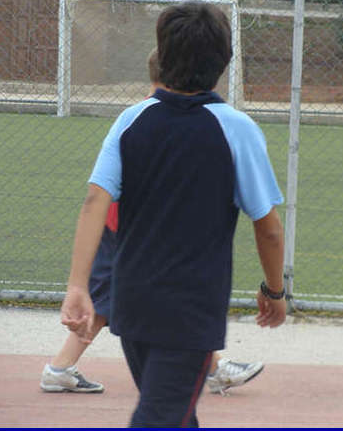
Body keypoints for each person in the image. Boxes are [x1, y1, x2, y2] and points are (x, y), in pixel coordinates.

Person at [60, 3, 287, 427]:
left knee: (172, 411)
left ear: (161, 57)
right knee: (163, 415)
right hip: (190, 308)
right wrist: (274, 291)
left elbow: (95, 202)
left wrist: (77, 285)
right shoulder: (236, 129)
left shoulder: (131, 120)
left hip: (133, 301)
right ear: (224, 63)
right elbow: (269, 228)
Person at [41, 48, 264, 396]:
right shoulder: (158, 116)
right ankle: (59, 367)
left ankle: (213, 365)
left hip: (124, 224)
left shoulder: (144, 113)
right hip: (125, 226)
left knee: (115, 298)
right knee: (108, 299)